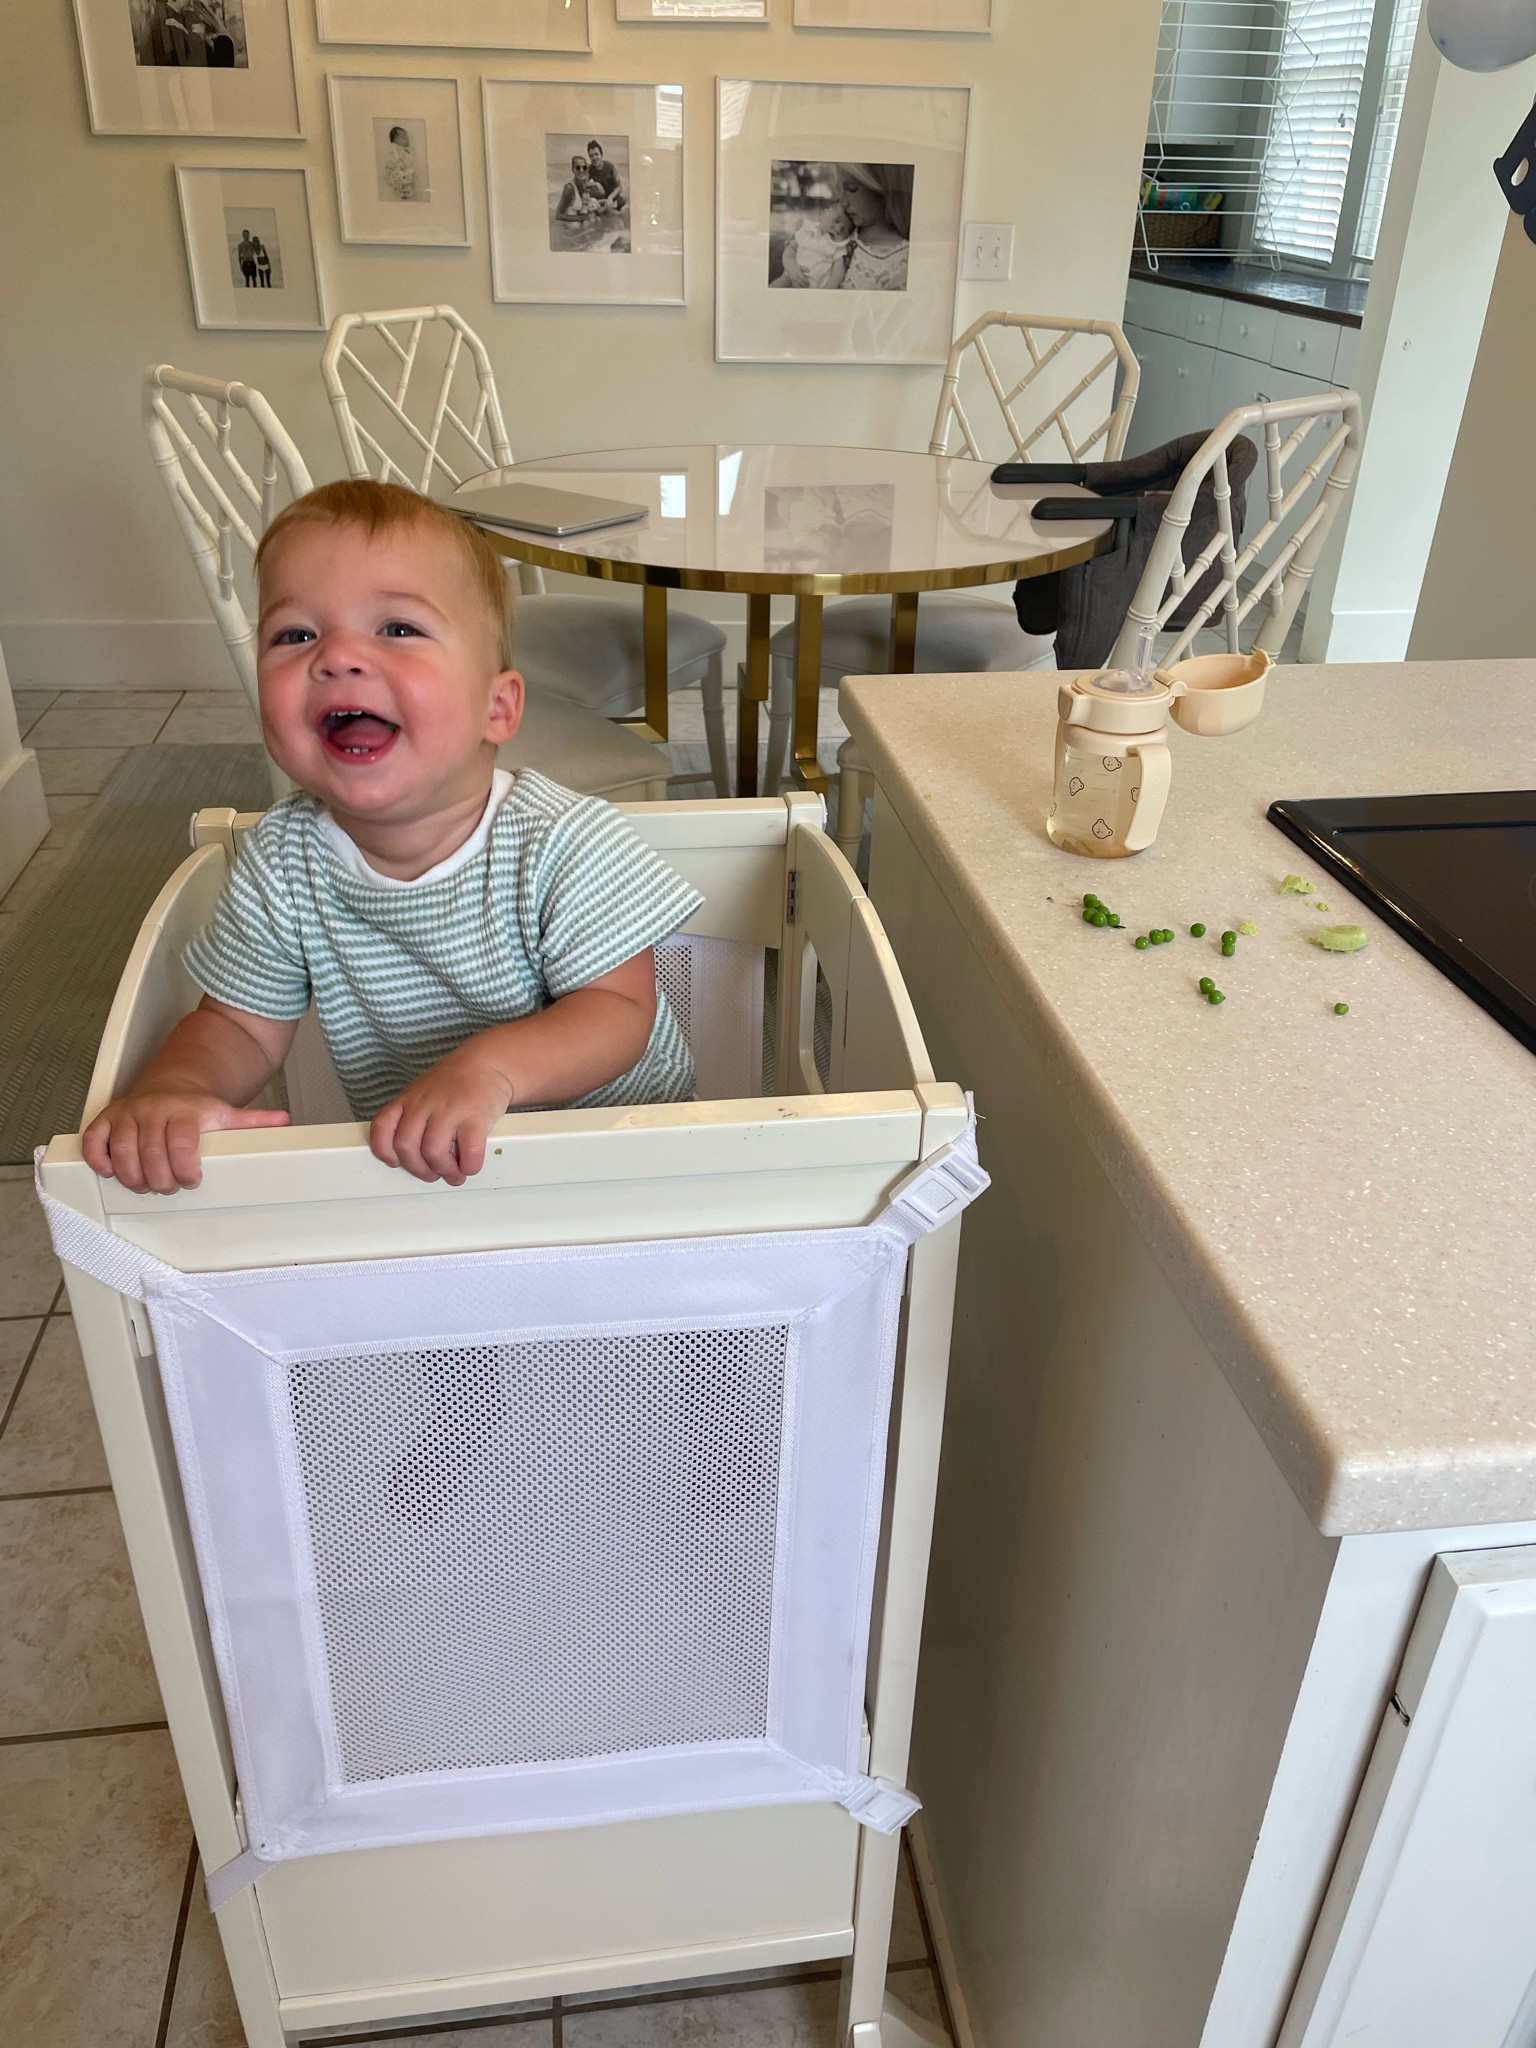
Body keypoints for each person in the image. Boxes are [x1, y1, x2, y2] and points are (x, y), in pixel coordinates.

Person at [83, 480, 703, 1195]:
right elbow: (240, 1026)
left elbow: (618, 1011)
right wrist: (177, 1087)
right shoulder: (282, 861)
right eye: (296, 634)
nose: (338, 656)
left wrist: (490, 1070)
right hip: (426, 1168)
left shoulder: (565, 841)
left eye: (398, 629)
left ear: (497, 709)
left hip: (622, 1159)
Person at [777, 163, 911, 292]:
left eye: (852, 189)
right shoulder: (837, 233)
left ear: (882, 190)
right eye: (840, 191)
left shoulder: (900, 263)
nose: (843, 202)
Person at [772, 198, 853, 291]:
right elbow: (789, 252)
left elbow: (838, 275)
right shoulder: (807, 231)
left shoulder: (838, 246)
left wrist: (827, 290)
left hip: (815, 287)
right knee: (778, 285)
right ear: (824, 214)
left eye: (844, 229)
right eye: (836, 221)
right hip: (791, 276)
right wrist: (792, 270)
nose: (838, 229)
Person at [380, 124, 421, 203]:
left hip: (401, 176)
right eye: (404, 137)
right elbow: (396, 163)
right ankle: (403, 190)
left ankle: (405, 191)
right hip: (396, 174)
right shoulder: (395, 149)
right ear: (397, 139)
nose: (407, 139)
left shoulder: (404, 150)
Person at [584, 140, 625, 213]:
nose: (594, 158)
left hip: (614, 198)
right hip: (602, 200)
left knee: (622, 213)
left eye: (596, 154)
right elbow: (584, 184)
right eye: (591, 156)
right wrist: (596, 184)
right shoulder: (590, 169)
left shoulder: (610, 167)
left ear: (601, 155)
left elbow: (619, 187)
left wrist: (610, 198)